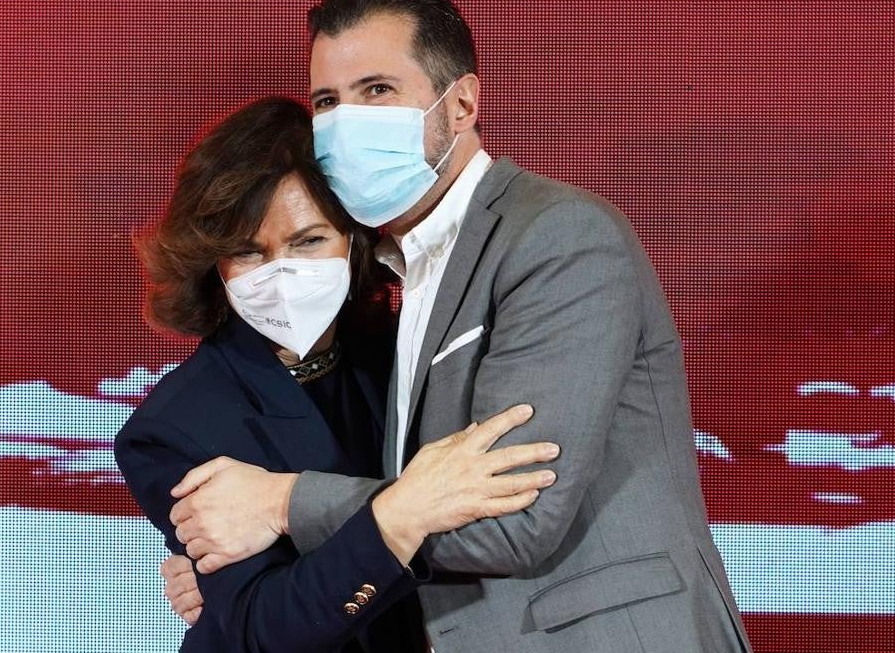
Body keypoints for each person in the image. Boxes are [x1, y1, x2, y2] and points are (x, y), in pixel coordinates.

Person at [162, 0, 753, 651]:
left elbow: (512, 520)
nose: (347, 122)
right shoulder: (400, 278)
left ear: (463, 102)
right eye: (328, 101)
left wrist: (278, 506)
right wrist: (254, 575)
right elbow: (421, 498)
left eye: (377, 90)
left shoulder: (556, 236)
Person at [114, 96, 560, 652]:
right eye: (248, 252)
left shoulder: (408, 353)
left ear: (355, 240)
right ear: (213, 263)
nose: (281, 273)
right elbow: (267, 626)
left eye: (308, 240)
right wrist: (402, 513)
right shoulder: (173, 424)